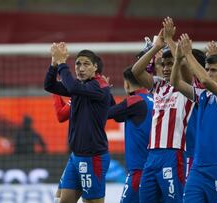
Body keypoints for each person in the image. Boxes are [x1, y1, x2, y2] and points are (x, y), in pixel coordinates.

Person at [170, 34, 217, 202]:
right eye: (207, 69)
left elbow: (206, 81)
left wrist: (188, 54)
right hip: (198, 169)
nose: (208, 73)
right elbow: (175, 83)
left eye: (213, 70)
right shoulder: (203, 95)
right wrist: (178, 60)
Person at [131, 18, 192, 202]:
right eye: (163, 64)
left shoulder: (187, 87)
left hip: (173, 154)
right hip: (152, 156)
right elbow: (136, 71)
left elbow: (183, 65)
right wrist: (156, 47)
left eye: (170, 64)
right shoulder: (157, 86)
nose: (166, 68)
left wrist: (170, 41)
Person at [44, 42, 112, 203]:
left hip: (93, 157)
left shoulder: (100, 86)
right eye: (77, 64)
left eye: (86, 64)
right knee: (62, 200)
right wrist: (54, 63)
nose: (80, 68)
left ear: (95, 67)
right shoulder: (81, 86)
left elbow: (72, 87)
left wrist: (62, 63)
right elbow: (49, 85)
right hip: (76, 157)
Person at [107, 66, 153, 203]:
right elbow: (117, 116)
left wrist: (103, 92)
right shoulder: (152, 99)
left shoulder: (134, 100)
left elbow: (107, 113)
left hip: (138, 170)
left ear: (126, 83)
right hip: (152, 167)